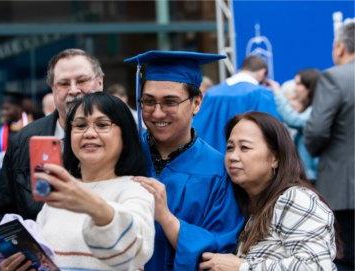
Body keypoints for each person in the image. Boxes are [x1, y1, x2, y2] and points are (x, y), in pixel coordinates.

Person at [0, 92, 155, 270]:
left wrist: (90, 204)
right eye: (80, 125)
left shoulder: (135, 189)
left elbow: (132, 250)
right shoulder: (59, 193)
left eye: (102, 125)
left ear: (125, 136)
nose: (89, 133)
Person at [125, 50, 244, 270]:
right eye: (148, 101)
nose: (157, 113)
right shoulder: (124, 155)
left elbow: (220, 251)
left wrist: (168, 220)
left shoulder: (219, 170)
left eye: (170, 102)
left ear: (197, 102)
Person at [200, 112, 340, 270]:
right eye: (230, 147)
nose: (233, 156)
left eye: (244, 147)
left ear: (275, 158)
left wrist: (243, 267)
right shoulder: (250, 206)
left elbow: (317, 266)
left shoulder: (295, 198)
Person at [0, 48, 104, 221]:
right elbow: (4, 211)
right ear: (53, 89)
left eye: (82, 80)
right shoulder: (24, 141)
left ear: (99, 83)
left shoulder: (123, 136)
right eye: (64, 83)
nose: (74, 90)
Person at [305, 19, 354, 269]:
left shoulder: (334, 78)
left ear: (339, 47)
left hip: (343, 190)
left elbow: (316, 131)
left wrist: (314, 149)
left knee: (343, 258)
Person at [193, 55, 281, 153]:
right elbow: (273, 134)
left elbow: (197, 127)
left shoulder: (211, 94)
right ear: (263, 72)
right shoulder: (261, 94)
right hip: (245, 162)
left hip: (210, 159)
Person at [270, 69, 320, 181]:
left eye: (298, 84)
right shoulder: (311, 108)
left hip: (312, 177)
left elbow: (293, 119)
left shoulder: (317, 110)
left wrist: (277, 92)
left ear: (309, 86)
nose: (295, 88)